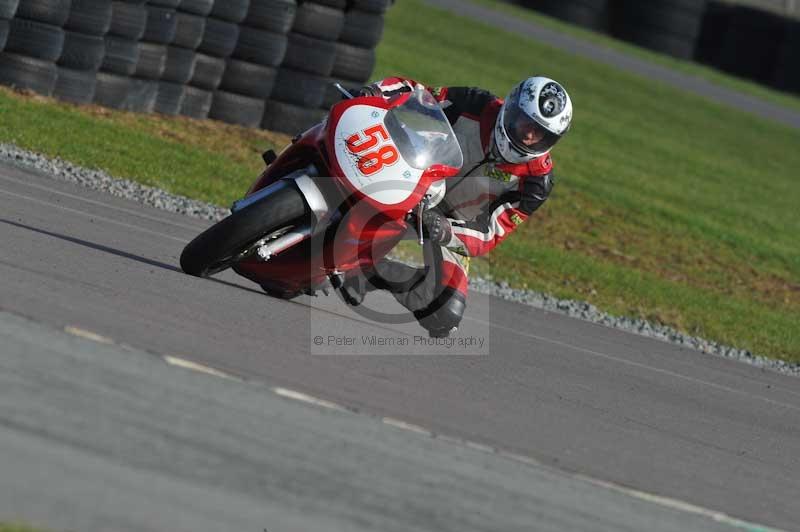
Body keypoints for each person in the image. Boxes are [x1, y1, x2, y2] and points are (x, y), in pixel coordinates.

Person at [341, 76, 573, 338]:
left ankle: (367, 273)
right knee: (349, 162)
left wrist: (447, 231)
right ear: (510, 108)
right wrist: (376, 92)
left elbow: (491, 233)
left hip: (447, 223)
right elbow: (419, 94)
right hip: (413, 179)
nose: (530, 135)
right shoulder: (477, 104)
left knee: (443, 312)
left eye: (540, 133)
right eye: (526, 123)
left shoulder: (536, 181)